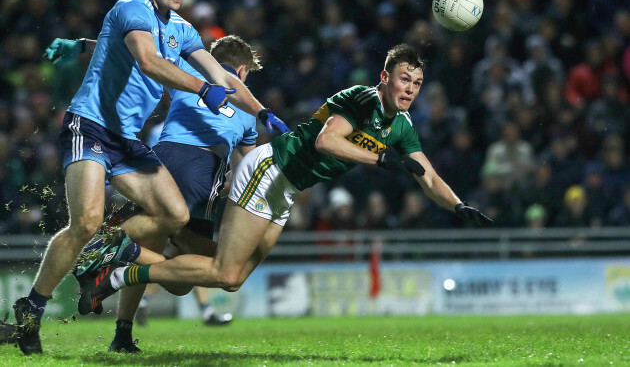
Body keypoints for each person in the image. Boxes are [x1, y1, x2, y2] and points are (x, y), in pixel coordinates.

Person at [2, 0, 288, 356]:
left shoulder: (185, 30)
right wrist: (203, 88)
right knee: (85, 222)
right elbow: (150, 60)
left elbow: (220, 73)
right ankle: (34, 305)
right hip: (91, 125)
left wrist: (262, 113)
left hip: (128, 139)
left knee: (173, 213)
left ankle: (114, 256)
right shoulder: (130, 7)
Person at [75, 44, 492, 315]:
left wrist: (458, 206)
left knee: (233, 279)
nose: (411, 89)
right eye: (405, 79)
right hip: (270, 169)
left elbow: (429, 176)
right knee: (224, 271)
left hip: (287, 191)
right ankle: (115, 275)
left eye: (417, 83)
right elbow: (329, 142)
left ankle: (157, 250)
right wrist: (381, 157)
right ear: (385, 77)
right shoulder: (361, 99)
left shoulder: (401, 125)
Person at [48, 34, 260, 350]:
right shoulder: (248, 109)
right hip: (200, 171)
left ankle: (121, 331)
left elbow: (135, 50)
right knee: (196, 275)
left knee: (165, 262)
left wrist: (81, 45)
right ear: (243, 70)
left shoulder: (187, 74)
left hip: (163, 158)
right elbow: (246, 174)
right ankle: (115, 251)